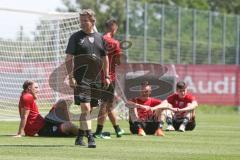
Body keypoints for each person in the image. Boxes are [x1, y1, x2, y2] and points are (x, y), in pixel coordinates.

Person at [65, 9, 110, 148]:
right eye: (81, 20)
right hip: (81, 78)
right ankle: (90, 137)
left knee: (89, 110)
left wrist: (107, 76)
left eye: (85, 20)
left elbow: (105, 58)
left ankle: (79, 137)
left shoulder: (100, 38)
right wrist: (71, 76)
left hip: (96, 79)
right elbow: (68, 58)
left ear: (92, 22)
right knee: (85, 107)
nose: (82, 23)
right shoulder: (75, 37)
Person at [94, 19, 124, 139]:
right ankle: (98, 132)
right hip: (108, 77)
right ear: (113, 28)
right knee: (105, 104)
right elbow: (118, 62)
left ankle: (117, 129)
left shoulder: (97, 40)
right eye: (116, 28)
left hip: (96, 76)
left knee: (109, 104)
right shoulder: (114, 42)